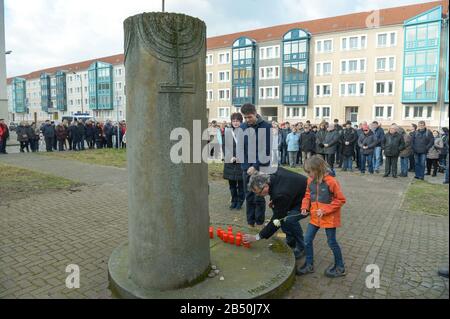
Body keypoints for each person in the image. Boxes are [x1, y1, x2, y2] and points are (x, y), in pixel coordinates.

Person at [296, 155, 347, 278]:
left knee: (331, 242)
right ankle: (309, 265)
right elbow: (307, 195)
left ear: (318, 169)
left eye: (310, 172)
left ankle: (340, 267)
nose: (308, 175)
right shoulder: (310, 181)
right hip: (315, 216)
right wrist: (304, 207)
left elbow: (340, 200)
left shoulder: (332, 181)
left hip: (329, 217)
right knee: (307, 240)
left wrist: (324, 210)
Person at [242, 167, 308, 260]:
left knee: (289, 220)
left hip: (310, 199)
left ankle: (302, 247)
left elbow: (277, 219)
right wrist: (275, 201)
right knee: (279, 211)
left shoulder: (280, 194)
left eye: (259, 193)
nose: (258, 196)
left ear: (265, 186)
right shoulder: (270, 174)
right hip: (296, 193)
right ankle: (291, 239)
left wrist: (257, 237)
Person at [239, 103, 272, 228]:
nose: (247, 120)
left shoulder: (266, 127)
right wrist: (248, 166)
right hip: (246, 168)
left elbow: (266, 149)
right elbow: (241, 149)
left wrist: (255, 166)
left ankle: (259, 222)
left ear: (255, 113)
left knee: (258, 195)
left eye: (250, 117)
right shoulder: (242, 127)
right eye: (245, 118)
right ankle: (250, 222)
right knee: (249, 195)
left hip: (261, 166)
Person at [223, 113, 245, 210]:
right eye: (234, 121)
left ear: (241, 121)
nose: (235, 123)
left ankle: (240, 202)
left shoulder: (245, 132)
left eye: (237, 121)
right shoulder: (228, 132)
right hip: (230, 163)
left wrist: (240, 157)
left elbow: (247, 147)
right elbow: (225, 146)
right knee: (232, 185)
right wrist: (230, 156)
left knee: (241, 185)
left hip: (241, 163)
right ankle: (233, 201)